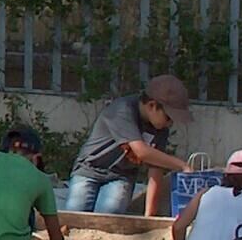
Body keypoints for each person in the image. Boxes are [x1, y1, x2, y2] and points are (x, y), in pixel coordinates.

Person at [65, 75, 194, 216]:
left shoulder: (160, 128)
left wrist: (149, 215)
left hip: (120, 176)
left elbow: (156, 169)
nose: (169, 124)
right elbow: (141, 152)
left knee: (110, 214)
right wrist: (181, 165)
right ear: (152, 105)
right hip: (88, 170)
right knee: (74, 214)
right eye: (168, 117)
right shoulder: (122, 109)